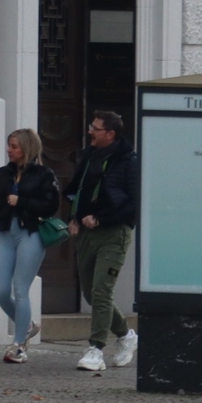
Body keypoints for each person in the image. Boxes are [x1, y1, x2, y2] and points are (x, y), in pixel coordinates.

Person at [0, 128, 61, 364]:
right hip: (6, 236)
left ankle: (19, 345)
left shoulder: (43, 174)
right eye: (9, 145)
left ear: (27, 149)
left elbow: (50, 206)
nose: (9, 150)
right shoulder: (2, 175)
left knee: (20, 288)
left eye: (14, 146)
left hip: (30, 235)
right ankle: (27, 325)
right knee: (0, 290)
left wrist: (22, 201)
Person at [63, 110, 139, 373]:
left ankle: (96, 349)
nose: (90, 132)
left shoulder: (129, 161)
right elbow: (76, 191)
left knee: (101, 290)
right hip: (86, 233)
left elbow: (134, 204)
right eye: (91, 127)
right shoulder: (88, 157)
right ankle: (127, 335)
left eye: (95, 128)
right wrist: (74, 217)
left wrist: (102, 219)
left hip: (113, 234)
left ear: (110, 134)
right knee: (90, 293)